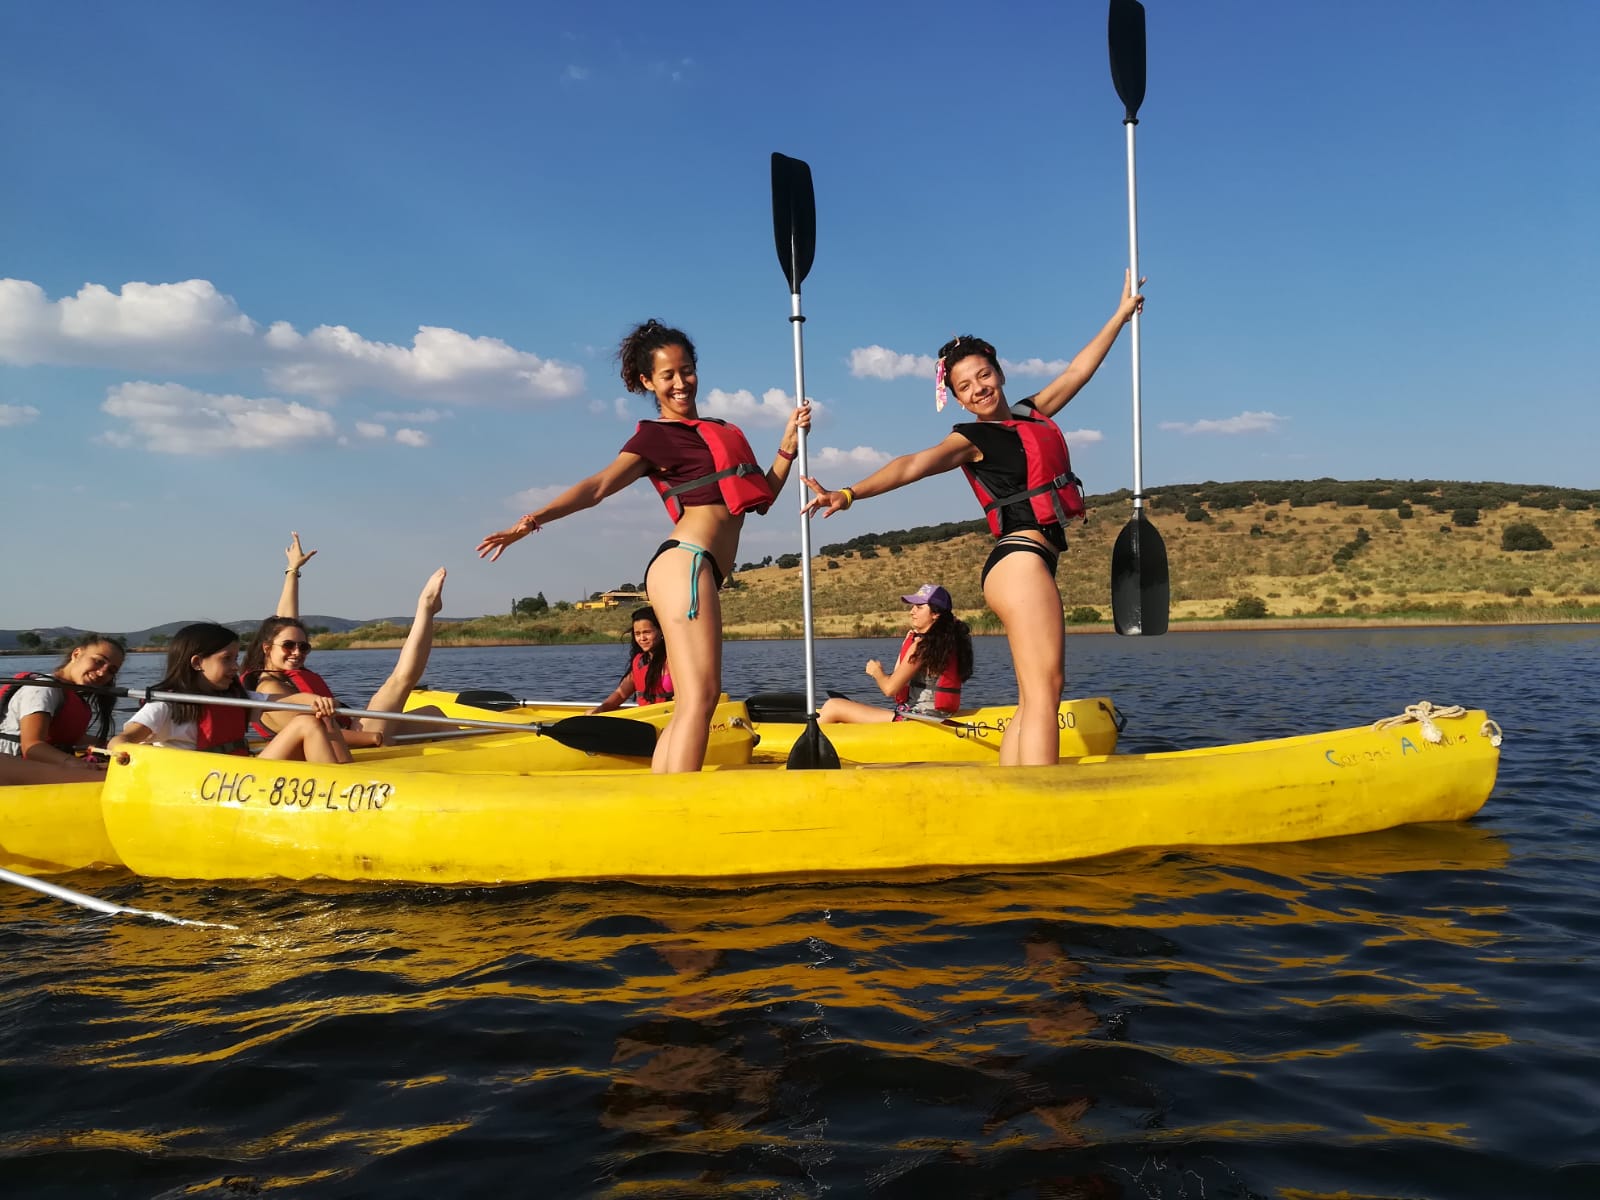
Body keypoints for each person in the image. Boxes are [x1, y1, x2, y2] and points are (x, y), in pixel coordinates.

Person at [803, 275, 1143, 765]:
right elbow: (911, 465)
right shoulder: (970, 437)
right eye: (965, 385)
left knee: (1034, 695)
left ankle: (1014, 790)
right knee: (1047, 689)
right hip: (1019, 560)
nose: (978, 388)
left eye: (983, 375)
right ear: (957, 398)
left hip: (1026, 563)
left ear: (999, 373)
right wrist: (849, 493)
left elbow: (1076, 373)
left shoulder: (1030, 413)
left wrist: (1119, 316)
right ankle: (1044, 803)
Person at [477, 319, 810, 773]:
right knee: (703, 696)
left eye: (687, 370)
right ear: (646, 381)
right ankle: (680, 805)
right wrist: (530, 522)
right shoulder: (654, 436)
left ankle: (664, 791)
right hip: (686, 564)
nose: (680, 382)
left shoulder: (720, 431)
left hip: (695, 568)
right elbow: (597, 487)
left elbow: (759, 499)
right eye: (668, 375)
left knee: (694, 698)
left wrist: (787, 446)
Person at [240, 534, 447, 745]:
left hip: (353, 731)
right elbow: (317, 735)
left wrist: (292, 570)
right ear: (267, 648)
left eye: (303, 647)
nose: (297, 652)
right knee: (399, 682)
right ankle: (426, 609)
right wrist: (372, 738)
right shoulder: (269, 689)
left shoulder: (279, 672)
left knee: (434, 715)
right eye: (288, 646)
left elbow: (285, 622)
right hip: (350, 745)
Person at [109, 622, 350, 762]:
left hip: (240, 779)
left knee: (309, 722)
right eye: (227, 659)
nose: (236, 667)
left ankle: (341, 787)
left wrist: (317, 700)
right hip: (198, 787)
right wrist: (123, 752)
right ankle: (338, 792)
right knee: (306, 725)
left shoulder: (236, 697)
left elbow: (284, 699)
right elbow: (123, 739)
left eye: (237, 658)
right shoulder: (166, 706)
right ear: (197, 662)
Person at [819, 584, 974, 725]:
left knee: (834, 706)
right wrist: (905, 645)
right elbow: (899, 681)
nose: (912, 611)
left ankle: (807, 746)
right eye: (913, 606)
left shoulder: (922, 646)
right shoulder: (946, 641)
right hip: (936, 716)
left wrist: (876, 672)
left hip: (918, 720)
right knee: (840, 710)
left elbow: (889, 688)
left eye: (919, 607)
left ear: (935, 614)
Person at [0, 634, 126, 770]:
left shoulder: (67, 693)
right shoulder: (43, 689)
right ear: (76, 654)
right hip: (12, 768)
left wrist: (122, 745)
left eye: (111, 670)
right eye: (99, 661)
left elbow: (73, 738)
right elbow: (32, 747)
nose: (102, 673)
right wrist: (84, 766)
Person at [589, 606, 673, 713]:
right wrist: (600, 709)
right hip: (647, 719)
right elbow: (621, 693)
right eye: (637, 634)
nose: (642, 638)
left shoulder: (674, 659)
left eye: (647, 632)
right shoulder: (639, 662)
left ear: (661, 631)